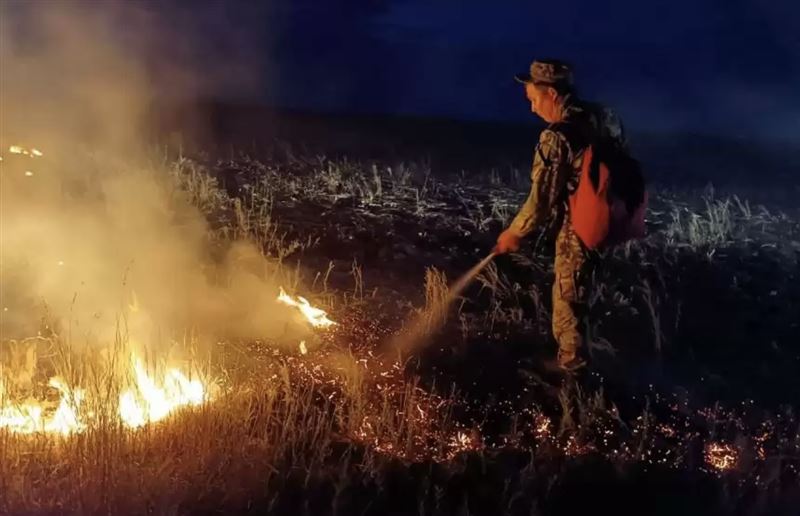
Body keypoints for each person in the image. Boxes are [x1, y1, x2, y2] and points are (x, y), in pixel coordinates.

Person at [494, 59, 628, 371]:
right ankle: (588, 357)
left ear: (552, 94)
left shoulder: (556, 137)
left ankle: (573, 376)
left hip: (580, 226)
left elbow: (540, 200)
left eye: (533, 100)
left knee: (569, 299)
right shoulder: (604, 117)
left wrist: (514, 233)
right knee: (589, 293)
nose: (532, 109)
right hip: (611, 221)